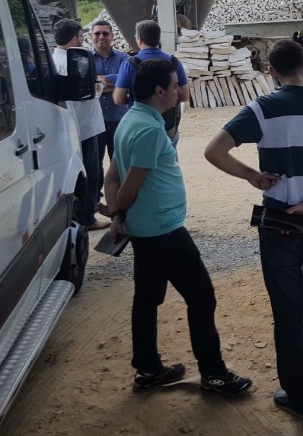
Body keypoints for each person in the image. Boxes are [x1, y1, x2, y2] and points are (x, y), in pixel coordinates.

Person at [204, 39, 303, 419]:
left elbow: (213, 151)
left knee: (288, 311)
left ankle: (299, 395)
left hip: (280, 225)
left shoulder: (262, 109)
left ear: (271, 72)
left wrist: (254, 177)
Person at [102, 58, 251, 397]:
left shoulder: (129, 121)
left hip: (146, 230)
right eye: (174, 85)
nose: (179, 90)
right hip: (163, 231)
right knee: (202, 298)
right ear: (159, 91)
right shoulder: (150, 130)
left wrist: (116, 215)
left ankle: (148, 368)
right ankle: (214, 375)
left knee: (147, 299)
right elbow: (127, 188)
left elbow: (112, 177)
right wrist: (118, 212)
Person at [52, 19, 108, 231]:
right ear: (75, 38)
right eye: (82, 36)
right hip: (85, 126)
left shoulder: (51, 59)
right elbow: (89, 90)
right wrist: (101, 85)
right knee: (92, 173)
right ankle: (88, 219)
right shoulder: (77, 60)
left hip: (65, 127)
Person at [113, 20, 188, 148]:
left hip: (140, 124)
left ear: (139, 39)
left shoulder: (130, 64)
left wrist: (133, 100)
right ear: (158, 38)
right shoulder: (174, 62)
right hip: (168, 123)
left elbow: (118, 99)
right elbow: (184, 96)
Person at [90, 20, 130, 211]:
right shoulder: (86, 60)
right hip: (95, 122)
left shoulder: (124, 59)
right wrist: (115, 83)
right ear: (91, 37)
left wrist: (100, 84)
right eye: (97, 33)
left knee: (120, 162)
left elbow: (127, 83)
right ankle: (95, 204)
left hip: (119, 120)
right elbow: (88, 86)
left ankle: (120, 203)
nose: (101, 37)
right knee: (94, 165)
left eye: (105, 33)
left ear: (113, 36)